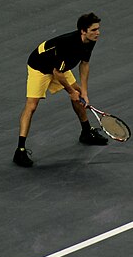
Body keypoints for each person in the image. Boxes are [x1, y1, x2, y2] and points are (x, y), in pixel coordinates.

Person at [13, 12, 108, 167]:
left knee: (79, 95)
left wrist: (83, 91)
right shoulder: (69, 45)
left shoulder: (90, 40)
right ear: (83, 31)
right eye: (94, 30)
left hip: (59, 67)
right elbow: (57, 73)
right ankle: (20, 150)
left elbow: (84, 64)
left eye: (98, 29)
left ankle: (86, 132)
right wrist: (71, 92)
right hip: (40, 67)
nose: (98, 32)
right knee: (32, 106)